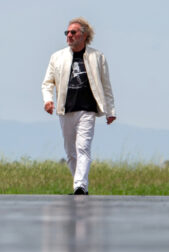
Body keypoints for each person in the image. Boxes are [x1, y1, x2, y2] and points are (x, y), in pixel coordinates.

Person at [41, 17, 116, 195]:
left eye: (73, 32)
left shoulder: (97, 57)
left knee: (83, 147)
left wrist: (110, 111)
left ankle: (80, 186)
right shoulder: (57, 57)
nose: (69, 36)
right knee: (70, 151)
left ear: (84, 35)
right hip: (65, 109)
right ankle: (80, 183)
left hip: (87, 109)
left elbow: (106, 86)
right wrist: (48, 100)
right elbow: (47, 83)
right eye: (67, 32)